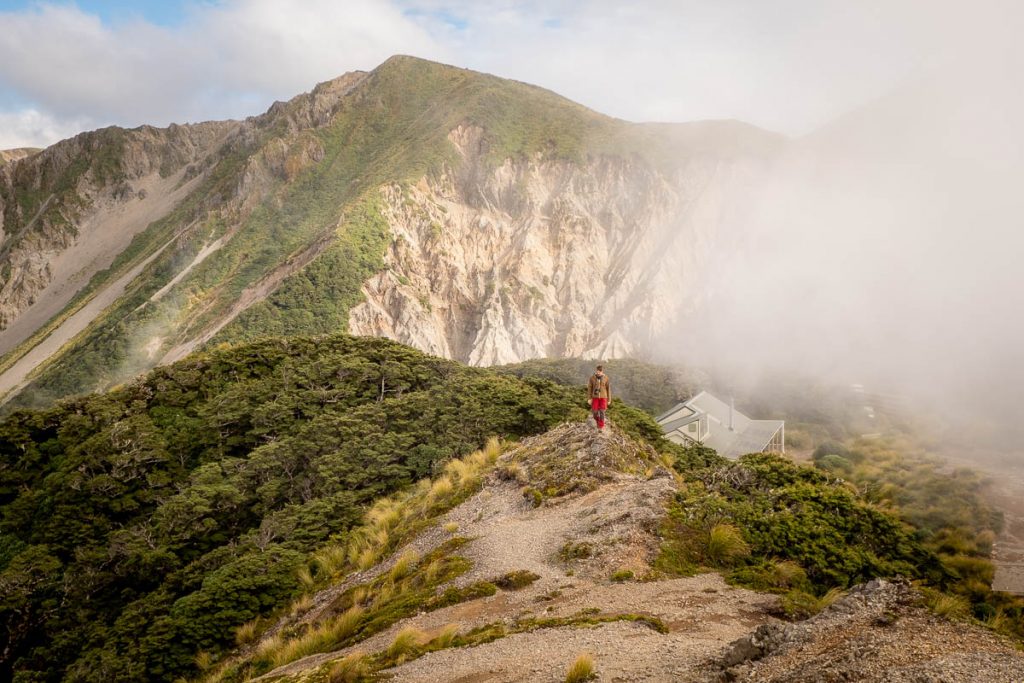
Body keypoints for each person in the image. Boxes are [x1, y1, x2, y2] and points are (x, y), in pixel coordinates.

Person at [587, 364, 611, 430]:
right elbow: (589, 388)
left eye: (600, 371)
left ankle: (601, 426)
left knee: (602, 412)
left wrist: (609, 400)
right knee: (595, 412)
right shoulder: (592, 378)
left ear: (602, 371)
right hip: (595, 397)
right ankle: (597, 421)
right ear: (596, 371)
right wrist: (589, 398)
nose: (599, 372)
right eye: (598, 371)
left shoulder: (606, 378)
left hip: (604, 397)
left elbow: (608, 389)